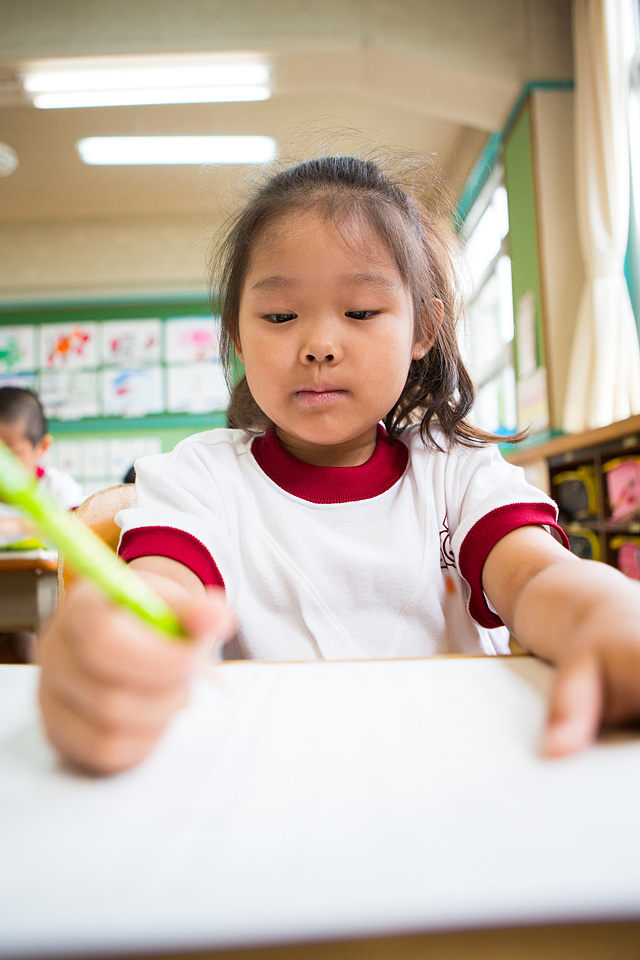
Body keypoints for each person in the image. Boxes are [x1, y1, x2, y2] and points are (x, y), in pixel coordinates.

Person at [38, 155, 640, 774]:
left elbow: (537, 577)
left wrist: (602, 614)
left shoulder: (457, 470)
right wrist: (117, 639)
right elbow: (161, 591)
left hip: (458, 769)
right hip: (270, 777)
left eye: (360, 312)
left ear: (423, 329)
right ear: (239, 337)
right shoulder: (199, 480)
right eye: (280, 316)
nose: (320, 346)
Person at [0, 386, 84, 663]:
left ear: (42, 447)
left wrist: (21, 525)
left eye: (9, 454)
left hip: (43, 602)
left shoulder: (57, 488)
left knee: (27, 646)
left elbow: (80, 529)